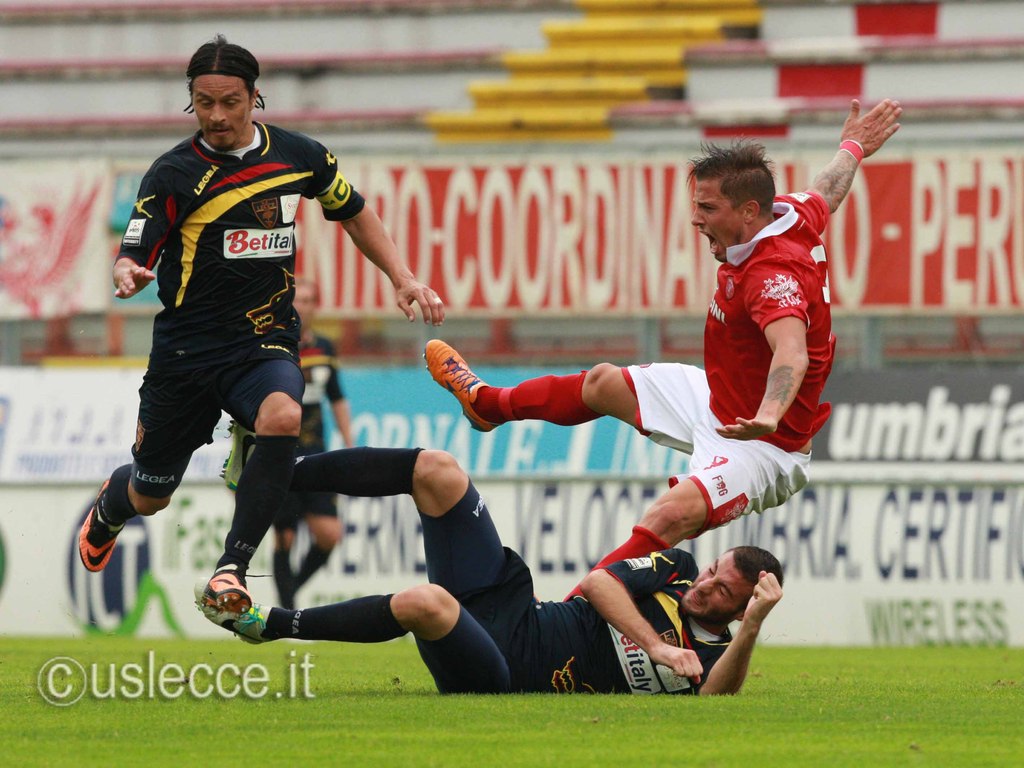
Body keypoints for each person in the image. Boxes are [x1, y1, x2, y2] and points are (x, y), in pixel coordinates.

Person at [425, 98, 901, 592]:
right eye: (697, 205)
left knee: (671, 515)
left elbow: (791, 352)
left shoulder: (771, 275)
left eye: (708, 208)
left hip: (763, 444)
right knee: (603, 382)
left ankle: (564, 621)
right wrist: (853, 147)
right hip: (720, 401)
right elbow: (827, 190)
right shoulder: (791, 214)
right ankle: (487, 405)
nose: (696, 219)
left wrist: (769, 412)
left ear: (748, 211)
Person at [77, 35, 445, 622]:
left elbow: (354, 211)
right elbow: (135, 246)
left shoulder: (299, 156)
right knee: (151, 494)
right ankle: (112, 508)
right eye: (204, 103)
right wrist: (127, 270)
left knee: (283, 416)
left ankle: (232, 568)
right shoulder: (173, 172)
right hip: (186, 352)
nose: (217, 116)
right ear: (191, 101)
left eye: (230, 102)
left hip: (264, 338)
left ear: (255, 97)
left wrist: (401, 276)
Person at [197, 446, 784, 695]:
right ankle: (271, 473)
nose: (705, 586)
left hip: (504, 668)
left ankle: (267, 624)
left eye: (722, 592)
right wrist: (655, 646)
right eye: (713, 571)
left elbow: (718, 694)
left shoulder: (714, 658)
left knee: (428, 603)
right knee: (438, 471)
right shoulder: (677, 571)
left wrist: (755, 625)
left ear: (740, 611)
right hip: (515, 605)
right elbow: (599, 582)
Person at [271, 278, 353, 609]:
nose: (301, 306)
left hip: (316, 452)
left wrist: (349, 441)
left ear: (316, 306)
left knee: (329, 534)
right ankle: (288, 612)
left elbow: (337, 397)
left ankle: (288, 599)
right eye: (296, 300)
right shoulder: (274, 343)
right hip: (280, 452)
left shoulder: (325, 348)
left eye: (307, 300)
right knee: (285, 536)